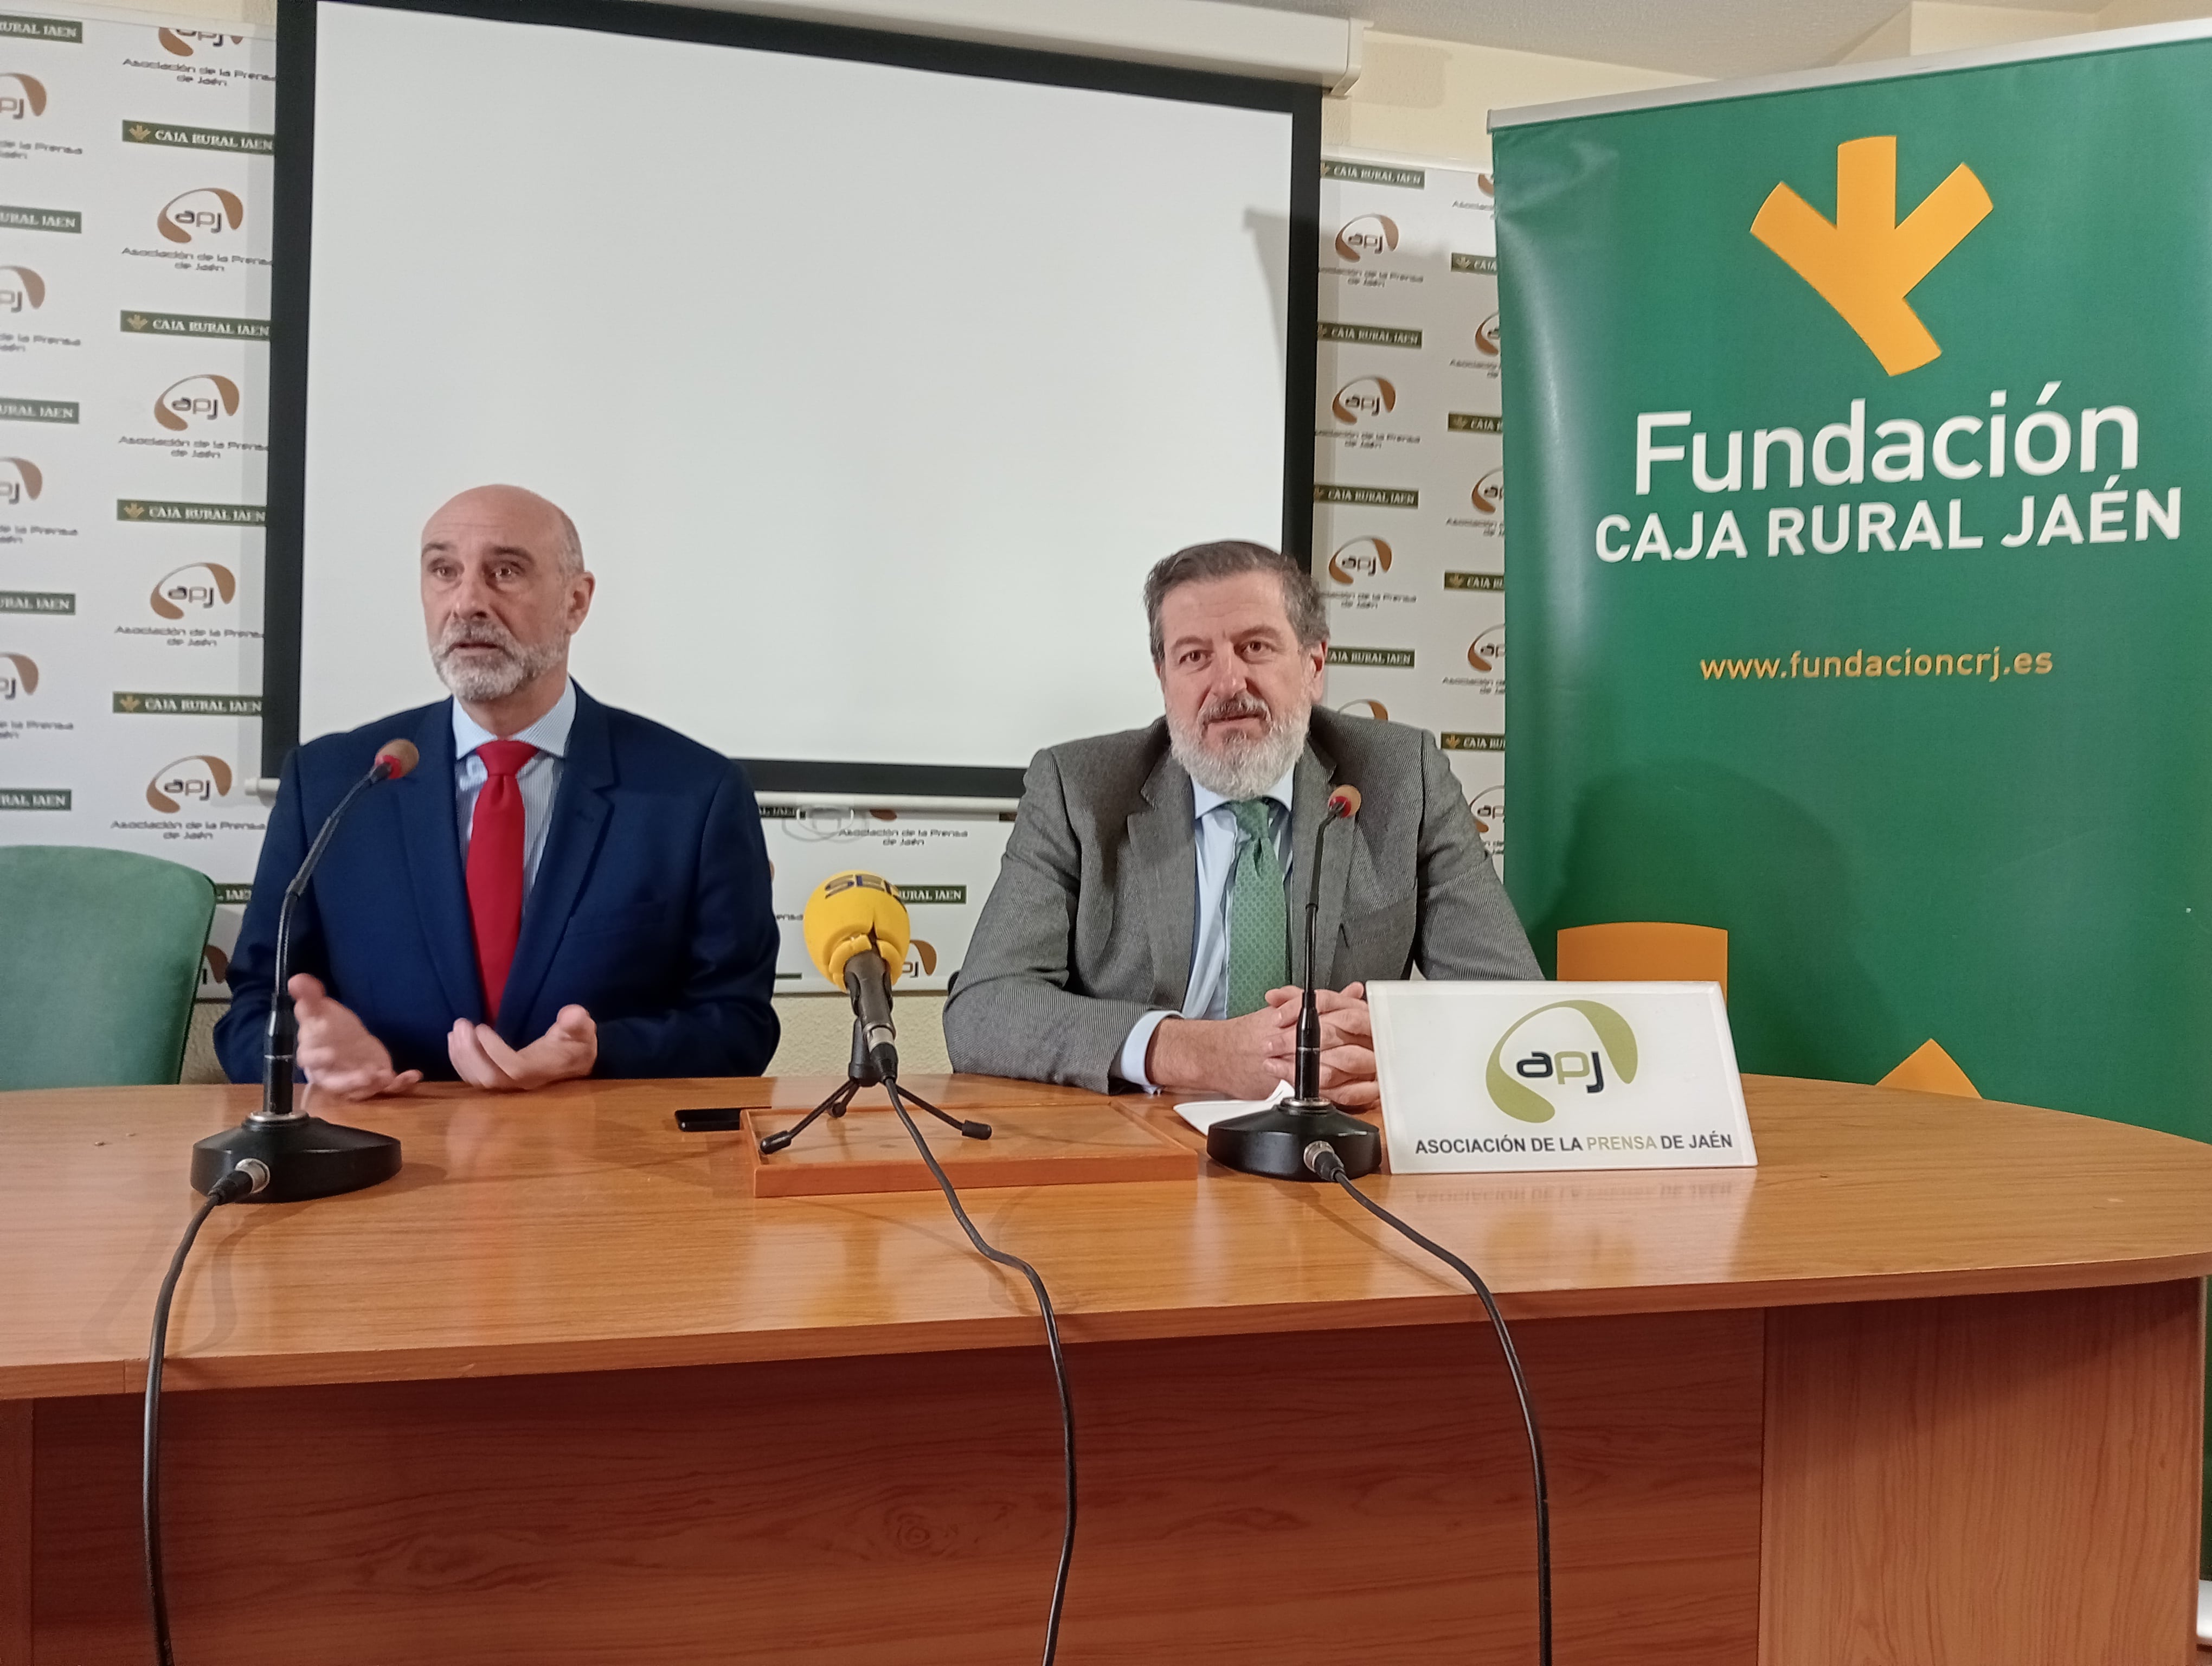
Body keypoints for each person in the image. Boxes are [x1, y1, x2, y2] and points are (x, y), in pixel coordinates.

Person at [215, 484, 779, 1095]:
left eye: (505, 571)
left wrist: (600, 1051)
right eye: (443, 571)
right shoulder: (333, 784)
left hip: (602, 1168)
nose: (467, 602)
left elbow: (738, 1024)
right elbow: (252, 1008)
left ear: (576, 602)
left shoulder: (695, 794)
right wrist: (310, 1055)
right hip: (383, 1158)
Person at [943, 539, 1537, 1105]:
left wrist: (1394, 1046)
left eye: (1255, 647)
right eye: (1195, 656)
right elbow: (984, 1009)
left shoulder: (1404, 779)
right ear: (1164, 678)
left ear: (1314, 664)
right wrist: (1197, 1053)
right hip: (1141, 1148)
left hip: (1334, 1144)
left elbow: (1518, 1009)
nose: (1227, 684)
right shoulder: (1079, 789)